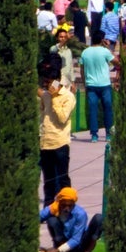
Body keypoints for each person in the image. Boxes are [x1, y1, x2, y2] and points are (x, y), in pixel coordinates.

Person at [39, 61, 75, 202]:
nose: (47, 85)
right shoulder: (46, 96)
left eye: (49, 82)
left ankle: (67, 207)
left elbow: (62, 118)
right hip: (46, 142)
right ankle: (49, 210)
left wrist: (54, 98)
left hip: (60, 143)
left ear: (57, 81)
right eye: (45, 82)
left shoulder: (68, 97)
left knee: (62, 179)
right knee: (49, 182)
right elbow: (43, 114)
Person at [40, 188, 100, 252]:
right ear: (59, 202)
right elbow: (38, 217)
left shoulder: (80, 214)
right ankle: (62, 251)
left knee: (98, 218)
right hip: (63, 241)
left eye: (70, 205)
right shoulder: (54, 208)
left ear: (74, 203)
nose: (66, 208)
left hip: (80, 242)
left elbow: (75, 240)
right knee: (52, 220)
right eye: (64, 205)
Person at [78, 33, 113, 141]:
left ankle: (94, 135)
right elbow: (116, 62)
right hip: (104, 84)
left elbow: (82, 70)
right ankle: (108, 133)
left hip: (91, 84)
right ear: (102, 40)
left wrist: (85, 84)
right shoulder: (105, 51)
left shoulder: (85, 52)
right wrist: (107, 48)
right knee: (107, 109)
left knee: (93, 110)